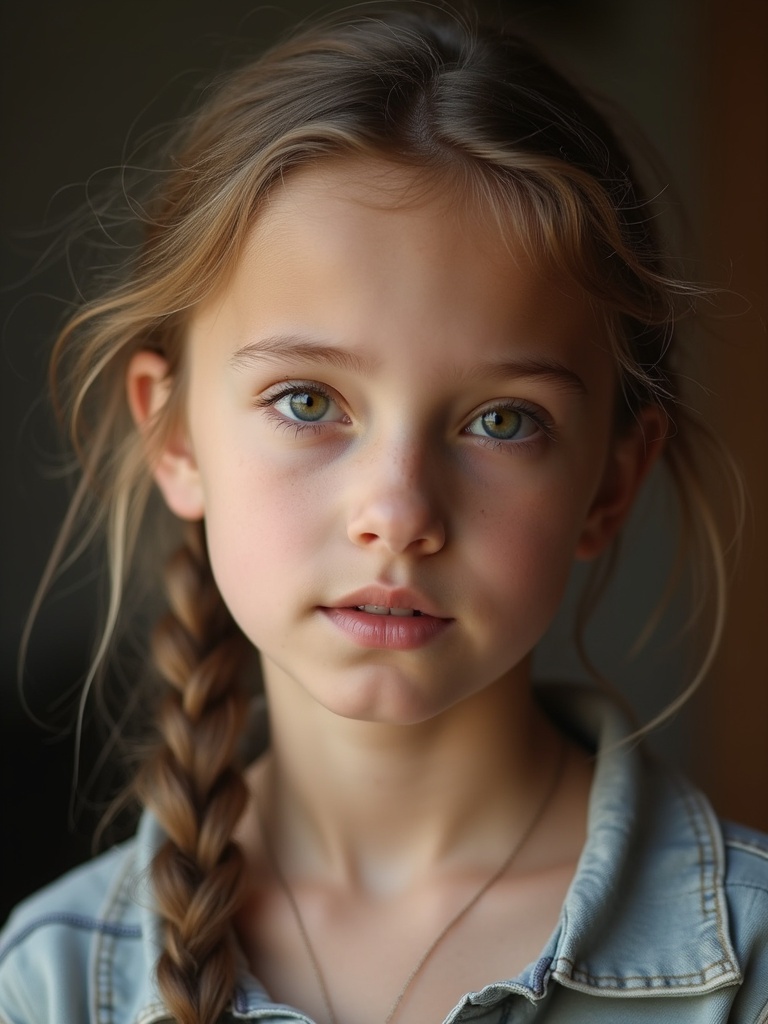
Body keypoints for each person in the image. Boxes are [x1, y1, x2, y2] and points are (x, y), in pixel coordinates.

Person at [1, 7, 766, 1024]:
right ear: (175, 437)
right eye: (308, 402)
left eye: (503, 419)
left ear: (612, 482)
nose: (399, 515)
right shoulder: (48, 986)